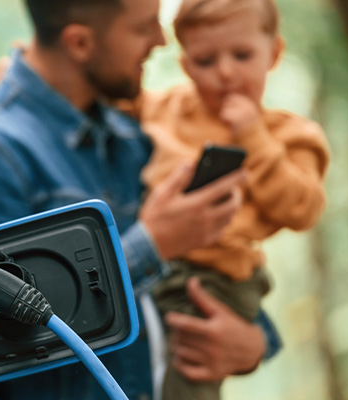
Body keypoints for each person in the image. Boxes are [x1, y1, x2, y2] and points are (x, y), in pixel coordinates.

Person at [0, 0, 280, 398]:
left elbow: (198, 268)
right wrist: (151, 245)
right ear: (80, 43)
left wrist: (256, 342)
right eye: (143, 28)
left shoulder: (132, 137)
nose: (161, 40)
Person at [123, 0, 331, 398]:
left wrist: (253, 136)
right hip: (152, 266)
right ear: (185, 65)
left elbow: (302, 208)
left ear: (273, 53)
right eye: (205, 60)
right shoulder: (166, 107)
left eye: (242, 55)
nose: (225, 73)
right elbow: (105, 105)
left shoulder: (289, 134)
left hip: (217, 280)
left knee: (188, 376)